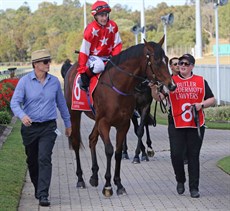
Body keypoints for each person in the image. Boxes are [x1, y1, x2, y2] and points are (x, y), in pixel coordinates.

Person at [10, 49, 72, 207]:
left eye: (49, 61)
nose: (48, 64)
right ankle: (39, 188)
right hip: (30, 128)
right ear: (36, 64)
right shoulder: (24, 82)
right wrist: (22, 116)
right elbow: (14, 103)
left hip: (49, 127)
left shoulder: (54, 82)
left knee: (44, 158)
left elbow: (61, 104)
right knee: (32, 161)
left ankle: (43, 194)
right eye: (45, 62)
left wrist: (68, 123)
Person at [167, 53, 215, 198]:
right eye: (180, 63)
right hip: (176, 123)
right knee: (176, 155)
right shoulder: (171, 81)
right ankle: (180, 180)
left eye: (186, 64)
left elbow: (212, 99)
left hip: (196, 123)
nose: (182, 66)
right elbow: (159, 98)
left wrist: (201, 104)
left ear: (192, 66)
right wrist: (153, 89)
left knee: (193, 156)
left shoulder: (201, 81)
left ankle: (194, 188)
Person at [77, 0, 122, 91]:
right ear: (95, 16)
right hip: (93, 57)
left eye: (106, 15)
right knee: (99, 66)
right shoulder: (90, 30)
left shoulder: (113, 26)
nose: (105, 18)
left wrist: (115, 59)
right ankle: (85, 78)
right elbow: (84, 51)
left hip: (108, 56)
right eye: (102, 16)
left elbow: (117, 44)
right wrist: (82, 70)